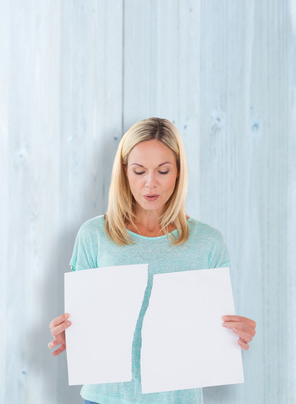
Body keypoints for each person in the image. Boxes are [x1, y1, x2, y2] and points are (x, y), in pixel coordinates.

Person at [48, 117, 256, 404]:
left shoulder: (208, 242)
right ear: (124, 172)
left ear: (178, 172)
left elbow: (211, 331)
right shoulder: (94, 235)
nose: (150, 183)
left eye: (163, 170)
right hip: (105, 399)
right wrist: (69, 333)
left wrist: (237, 334)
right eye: (139, 171)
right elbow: (84, 323)